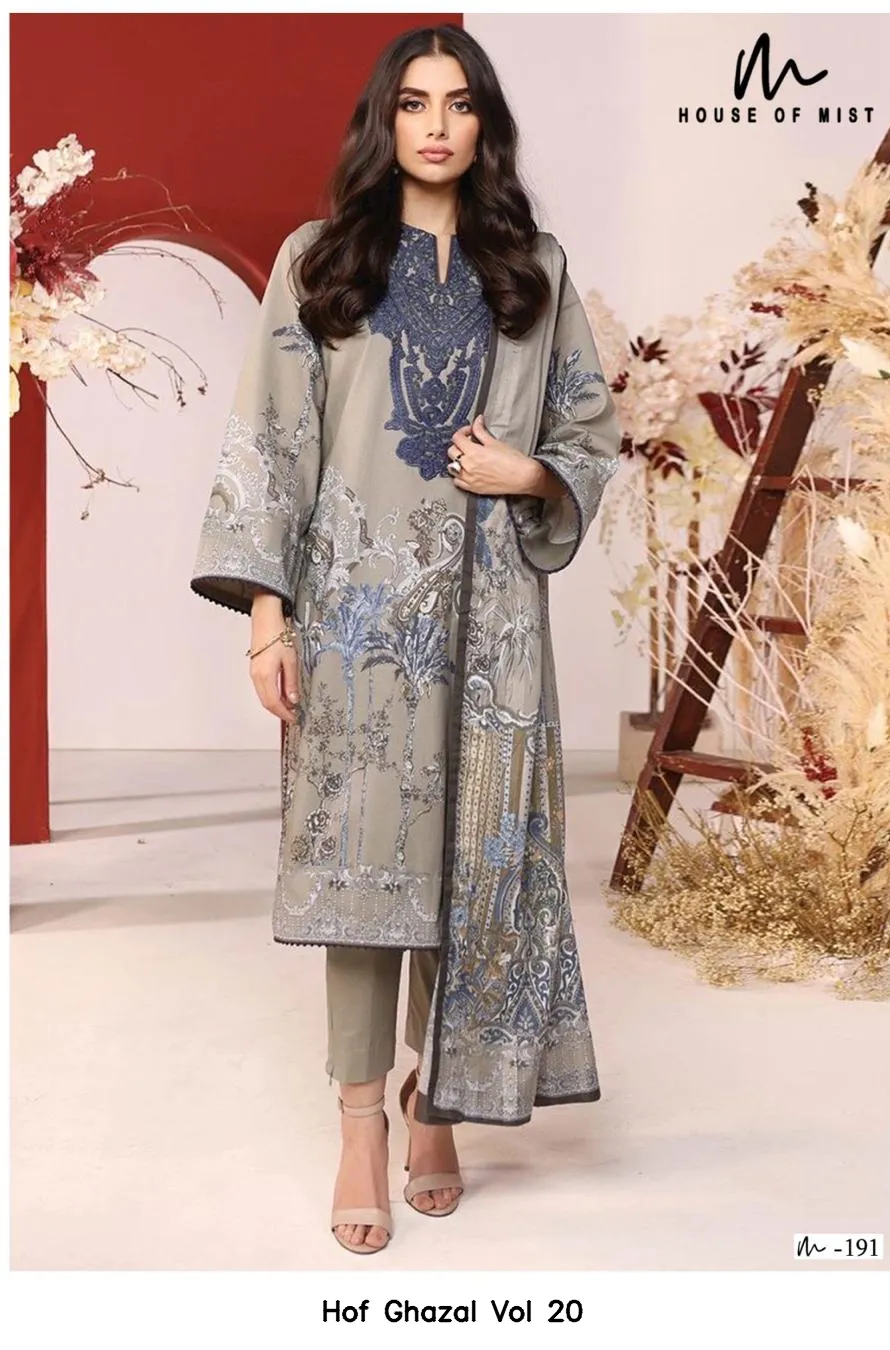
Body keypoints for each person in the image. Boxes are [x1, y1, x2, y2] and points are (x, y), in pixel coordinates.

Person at [190, 23, 621, 1256]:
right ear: (384, 122)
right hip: (356, 625)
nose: (437, 125)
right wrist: (267, 620)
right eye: (416, 102)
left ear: (486, 126)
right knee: (364, 878)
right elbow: (271, 439)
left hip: (493, 629)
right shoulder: (320, 260)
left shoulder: (533, 270)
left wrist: (530, 472)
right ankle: (360, 1129)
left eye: (461, 103)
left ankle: (443, 1104)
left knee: (471, 865)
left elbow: (589, 431)